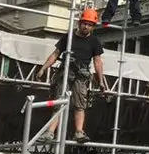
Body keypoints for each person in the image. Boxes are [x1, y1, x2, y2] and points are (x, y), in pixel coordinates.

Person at [37, 9, 107, 144]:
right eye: (84, 23)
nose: (86, 27)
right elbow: (56, 53)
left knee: (80, 104)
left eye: (89, 25)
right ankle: (50, 132)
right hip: (66, 72)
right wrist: (43, 68)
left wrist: (101, 80)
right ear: (80, 23)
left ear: (93, 27)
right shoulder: (69, 37)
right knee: (59, 102)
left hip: (81, 74)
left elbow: (97, 61)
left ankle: (79, 132)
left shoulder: (94, 41)